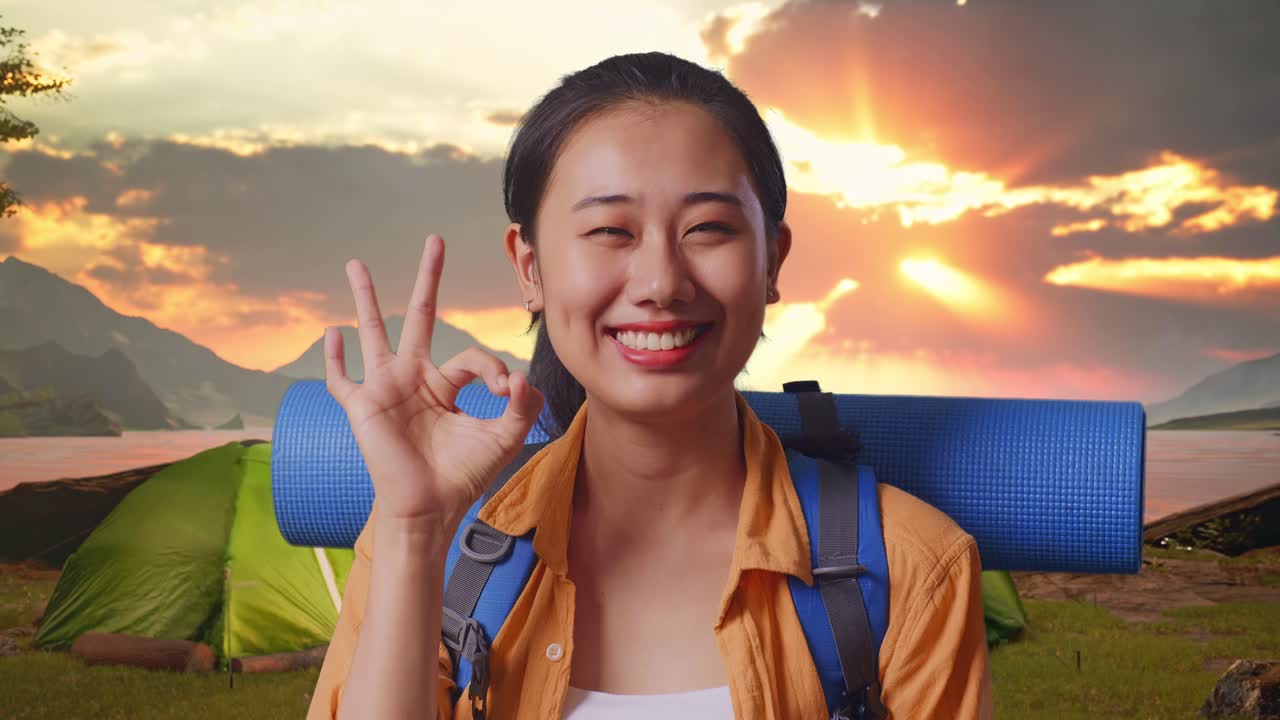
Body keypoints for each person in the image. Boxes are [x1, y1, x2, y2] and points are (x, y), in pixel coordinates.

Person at [307, 51, 992, 720]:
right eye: (610, 230)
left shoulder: (914, 568)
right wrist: (412, 531)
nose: (662, 282)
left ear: (772, 261)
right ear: (530, 269)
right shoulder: (425, 544)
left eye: (708, 228)